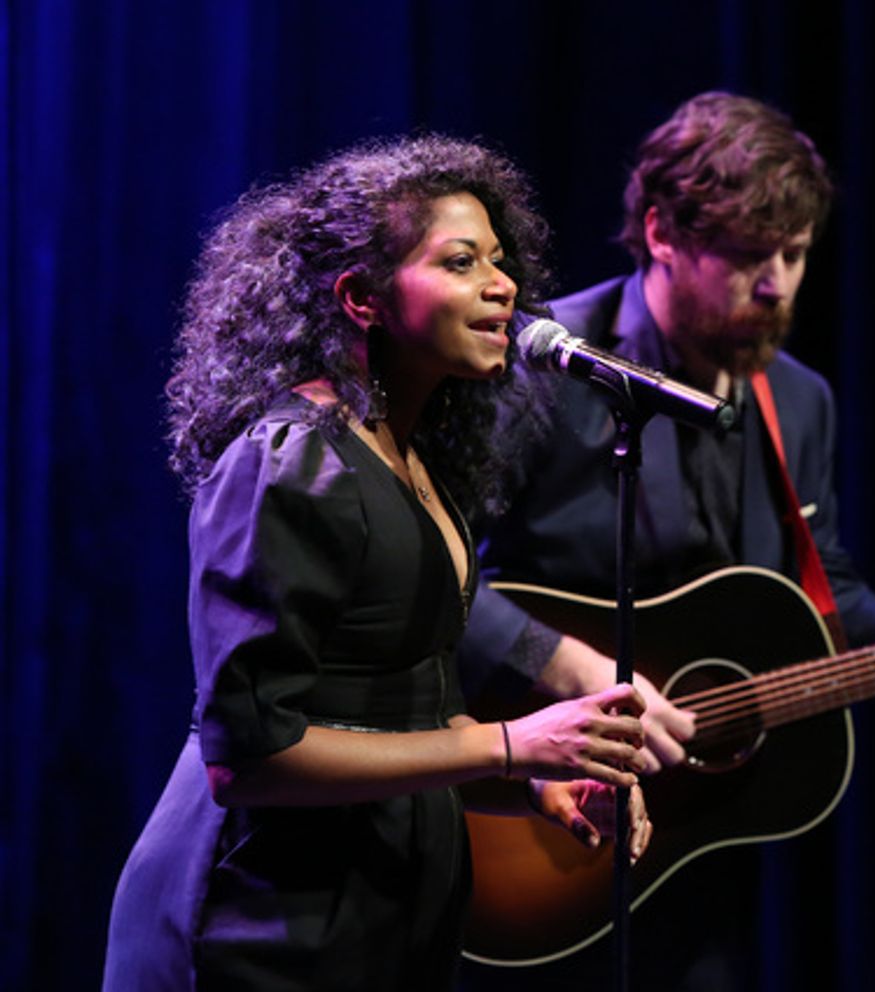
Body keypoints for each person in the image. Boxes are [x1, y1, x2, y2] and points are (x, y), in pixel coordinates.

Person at [457, 93, 875, 986]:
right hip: (528, 821)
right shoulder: (543, 365)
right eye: (752, 258)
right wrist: (568, 663)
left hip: (692, 859)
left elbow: (833, 609)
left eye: (796, 256)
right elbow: (431, 581)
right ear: (661, 232)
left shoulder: (800, 401)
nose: (780, 285)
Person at [102, 135, 654, 992]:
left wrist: (533, 784)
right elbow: (248, 756)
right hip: (259, 923)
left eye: (500, 262)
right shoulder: (290, 458)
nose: (504, 286)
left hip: (381, 911)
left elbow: (389, 716)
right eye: (462, 262)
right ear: (361, 298)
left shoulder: (412, 454)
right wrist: (511, 744)